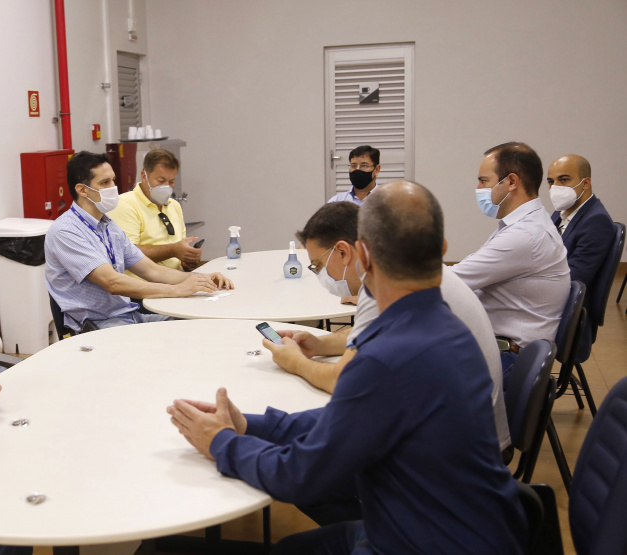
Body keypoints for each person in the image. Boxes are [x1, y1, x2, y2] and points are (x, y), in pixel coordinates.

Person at [167, 181, 526, 554]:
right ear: (442, 252)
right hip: (466, 525)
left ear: (363, 258)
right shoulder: (443, 327)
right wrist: (250, 425)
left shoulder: (388, 356)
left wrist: (221, 443)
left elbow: (303, 475)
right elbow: (345, 418)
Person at [267, 201, 509, 450]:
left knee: (334, 442)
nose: (320, 274)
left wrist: (296, 363)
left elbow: (342, 382)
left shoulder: (386, 282)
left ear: (342, 252)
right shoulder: (399, 263)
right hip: (469, 423)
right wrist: (318, 344)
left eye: (317, 265)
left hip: (460, 447)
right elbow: (370, 330)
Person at [45, 151, 232, 333]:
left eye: (113, 180)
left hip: (127, 315)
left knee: (198, 325)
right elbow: (113, 283)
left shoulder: (109, 226)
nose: (113, 187)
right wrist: (179, 290)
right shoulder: (66, 231)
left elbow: (152, 270)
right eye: (104, 182)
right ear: (82, 190)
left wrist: (201, 279)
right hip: (98, 325)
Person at [451, 142, 570, 381]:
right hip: (507, 349)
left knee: (408, 377)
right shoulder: (523, 225)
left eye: (484, 181)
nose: (478, 188)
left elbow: (451, 281)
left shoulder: (525, 235)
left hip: (510, 359)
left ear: (512, 182)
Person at [548, 154, 616, 358]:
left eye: (564, 179)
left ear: (586, 182)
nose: (555, 187)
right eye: (551, 182)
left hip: (567, 317)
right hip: (551, 301)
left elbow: (574, 279)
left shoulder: (596, 221)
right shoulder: (560, 214)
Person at [108, 148, 202, 272]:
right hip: (144, 286)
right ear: (144, 176)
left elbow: (177, 254)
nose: (167, 187)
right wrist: (173, 250)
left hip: (177, 280)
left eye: (172, 181)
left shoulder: (174, 205)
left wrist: (186, 260)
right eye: (161, 181)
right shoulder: (124, 204)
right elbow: (127, 254)